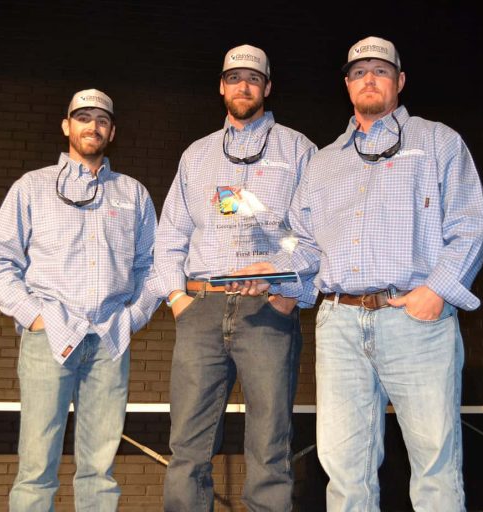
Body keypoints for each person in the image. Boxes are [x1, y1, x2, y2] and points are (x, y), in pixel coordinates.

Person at [240, 36, 483, 510]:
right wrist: (274, 273)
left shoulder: (437, 142)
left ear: (399, 81)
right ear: (347, 85)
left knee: (435, 463)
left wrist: (435, 291)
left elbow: (471, 224)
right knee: (344, 468)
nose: (369, 78)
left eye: (380, 70)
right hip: (339, 326)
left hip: (414, 322)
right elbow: (307, 246)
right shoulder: (323, 161)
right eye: (359, 72)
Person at [0, 89, 159, 511]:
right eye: (83, 117)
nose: (91, 126)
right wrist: (32, 315)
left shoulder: (132, 194)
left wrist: (132, 318)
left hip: (109, 342)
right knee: (37, 469)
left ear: (112, 131)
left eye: (100, 119)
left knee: (99, 470)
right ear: (67, 126)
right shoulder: (32, 187)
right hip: (49, 340)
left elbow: (152, 266)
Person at [153, 44, 317, 510]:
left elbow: (318, 236)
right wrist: (177, 299)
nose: (242, 86)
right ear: (221, 86)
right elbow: (169, 236)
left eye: (252, 78)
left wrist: (289, 295)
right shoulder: (197, 155)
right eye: (233, 78)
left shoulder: (299, 150)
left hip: (268, 314)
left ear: (267, 87)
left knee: (269, 449)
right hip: (200, 311)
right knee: (187, 449)